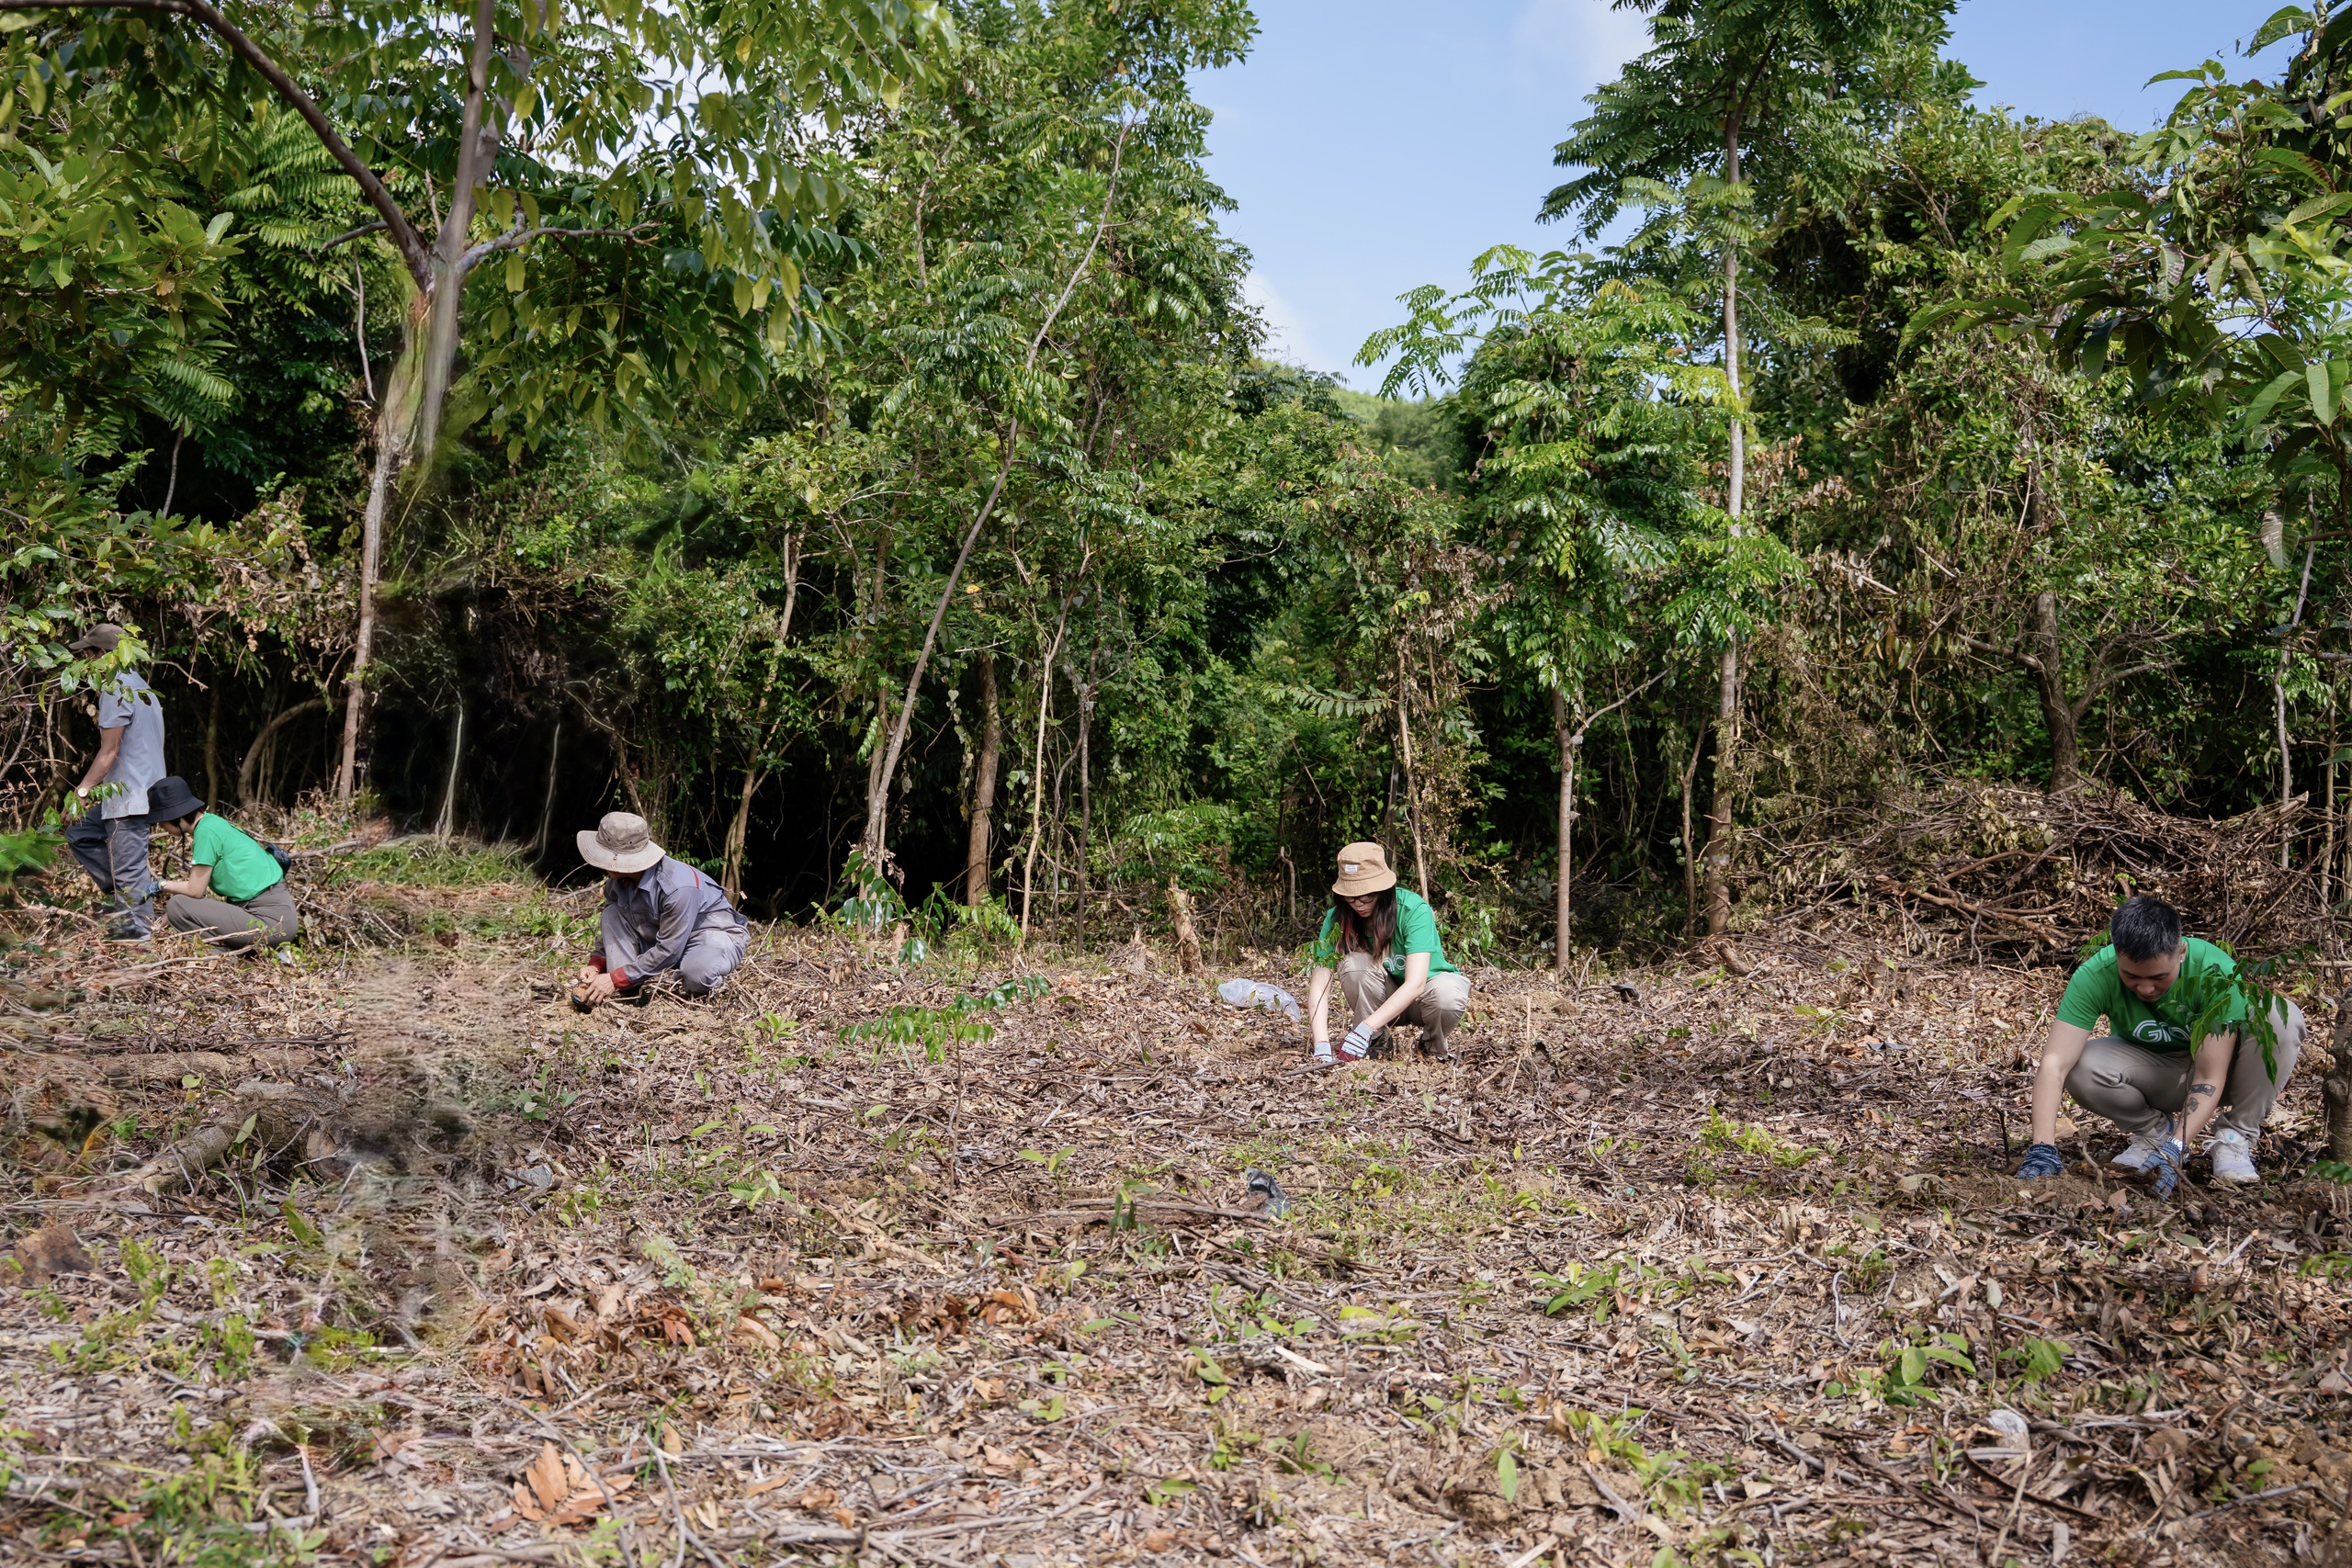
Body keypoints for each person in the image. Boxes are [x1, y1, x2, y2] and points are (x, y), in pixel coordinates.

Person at [2016, 895, 2303, 1194]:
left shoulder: (2213, 971)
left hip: (2229, 1074)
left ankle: (2234, 1137)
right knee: (2080, 1066)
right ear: (2117, 954)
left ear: (2181, 952)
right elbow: (2054, 1064)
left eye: (2158, 977)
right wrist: (2042, 1147)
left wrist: (2178, 1147)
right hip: (2156, 1073)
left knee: (2280, 1018)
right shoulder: (2096, 975)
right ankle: (2153, 1134)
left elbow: (2208, 1077)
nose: (2145, 988)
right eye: (2131, 976)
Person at [1304, 841, 1469, 1066]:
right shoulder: (1336, 919)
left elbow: (1416, 984)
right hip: (1382, 997)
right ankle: (1377, 1040)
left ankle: (1431, 1047)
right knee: (1353, 966)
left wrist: (1363, 1027)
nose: (1358, 904)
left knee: (1448, 993)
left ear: (1383, 891)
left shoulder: (1412, 910)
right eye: (1350, 897)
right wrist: (1321, 1043)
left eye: (1367, 897)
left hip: (1425, 999)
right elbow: (1321, 980)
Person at [572, 811, 748, 1008]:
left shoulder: (679, 887)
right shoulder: (616, 883)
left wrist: (613, 979)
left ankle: (713, 990)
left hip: (709, 935)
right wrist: (596, 965)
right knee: (611, 913)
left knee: (697, 974)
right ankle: (629, 993)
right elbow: (612, 929)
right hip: (663, 936)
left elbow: (669, 950)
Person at [62, 623, 166, 941]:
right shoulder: (140, 684)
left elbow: (110, 751)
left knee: (130, 874)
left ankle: (139, 948)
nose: (86, 663)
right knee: (80, 832)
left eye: (89, 655)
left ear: (104, 655)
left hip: (130, 799)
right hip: (142, 792)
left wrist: (80, 792)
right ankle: (123, 885)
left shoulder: (115, 687)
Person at [144, 777, 300, 950]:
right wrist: (160, 925)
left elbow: (195, 891)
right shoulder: (212, 822)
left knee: (176, 904)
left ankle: (222, 956)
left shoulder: (206, 833)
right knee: (178, 906)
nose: (160, 825)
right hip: (279, 920)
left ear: (177, 817)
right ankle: (236, 952)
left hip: (271, 923)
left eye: (162, 820)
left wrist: (161, 885)